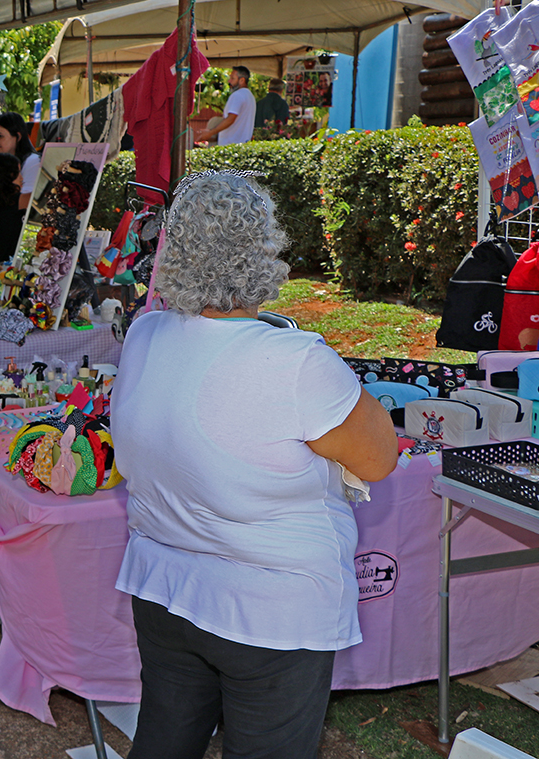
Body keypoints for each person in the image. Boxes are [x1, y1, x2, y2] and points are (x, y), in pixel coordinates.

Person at [109, 172, 397, 759]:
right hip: (272, 614)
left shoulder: (146, 334)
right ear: (266, 249)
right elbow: (380, 456)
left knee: (164, 741)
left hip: (165, 587)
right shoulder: (293, 360)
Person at [195, 66, 256, 146]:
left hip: (231, 146)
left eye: (232, 78)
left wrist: (210, 132)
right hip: (242, 144)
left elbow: (230, 119)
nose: (229, 81)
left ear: (242, 80)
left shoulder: (237, 95)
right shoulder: (250, 96)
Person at [0, 112, 39, 210]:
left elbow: (24, 202)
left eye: (0, 136)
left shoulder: (33, 162)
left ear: (17, 137)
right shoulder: (1, 164)